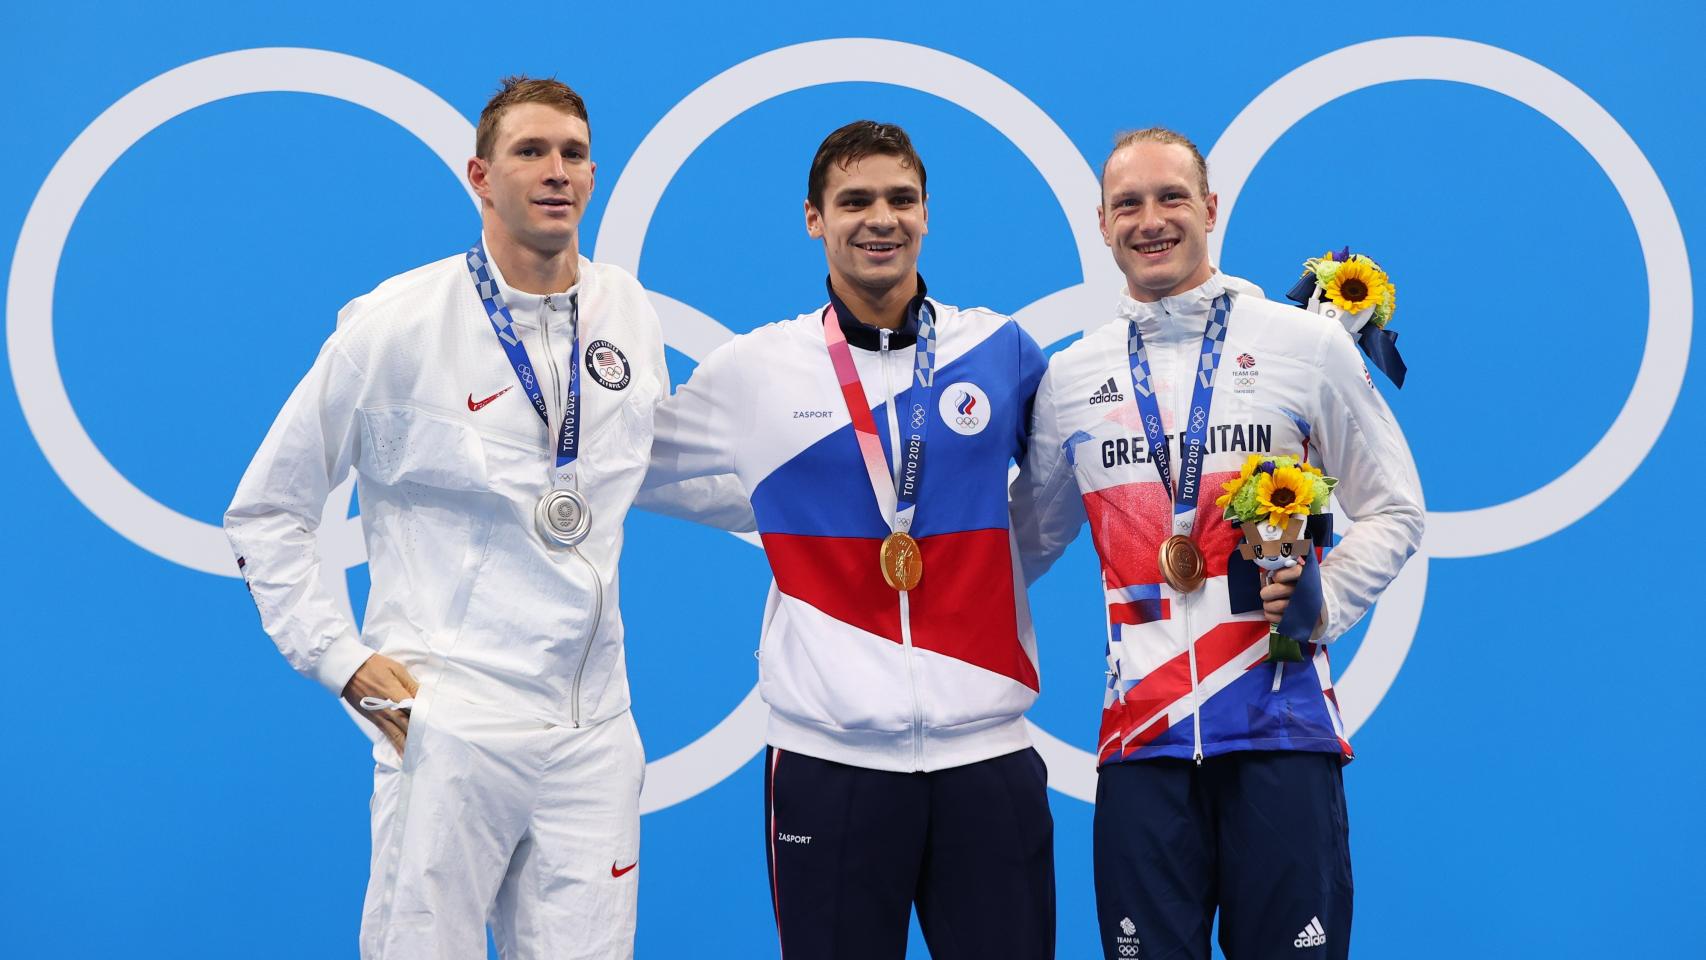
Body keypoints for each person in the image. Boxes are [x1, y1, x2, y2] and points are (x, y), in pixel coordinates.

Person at [226, 76, 664, 959]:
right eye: (530, 152)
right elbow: (269, 508)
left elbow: (664, 466)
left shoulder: (627, 311)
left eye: (573, 154)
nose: (556, 172)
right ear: (479, 174)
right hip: (450, 724)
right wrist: (337, 657)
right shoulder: (392, 325)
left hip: (593, 735)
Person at [641, 120, 1055, 959]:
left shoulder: (1000, 350)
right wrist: (778, 511)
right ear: (813, 218)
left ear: (927, 214)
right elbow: (632, 467)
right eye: (854, 200)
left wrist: (991, 579)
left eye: (901, 199)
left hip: (988, 756)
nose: (881, 219)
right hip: (827, 763)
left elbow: (1054, 498)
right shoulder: (759, 367)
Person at [1010, 128, 1425, 960]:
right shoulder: (1070, 378)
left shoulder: (1302, 347)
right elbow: (1023, 546)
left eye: (1171, 198)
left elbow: (1397, 509)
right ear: (1101, 223)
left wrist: (1325, 602)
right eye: (1128, 204)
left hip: (1281, 731)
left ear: (1209, 207)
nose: (1151, 220)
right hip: (1143, 743)